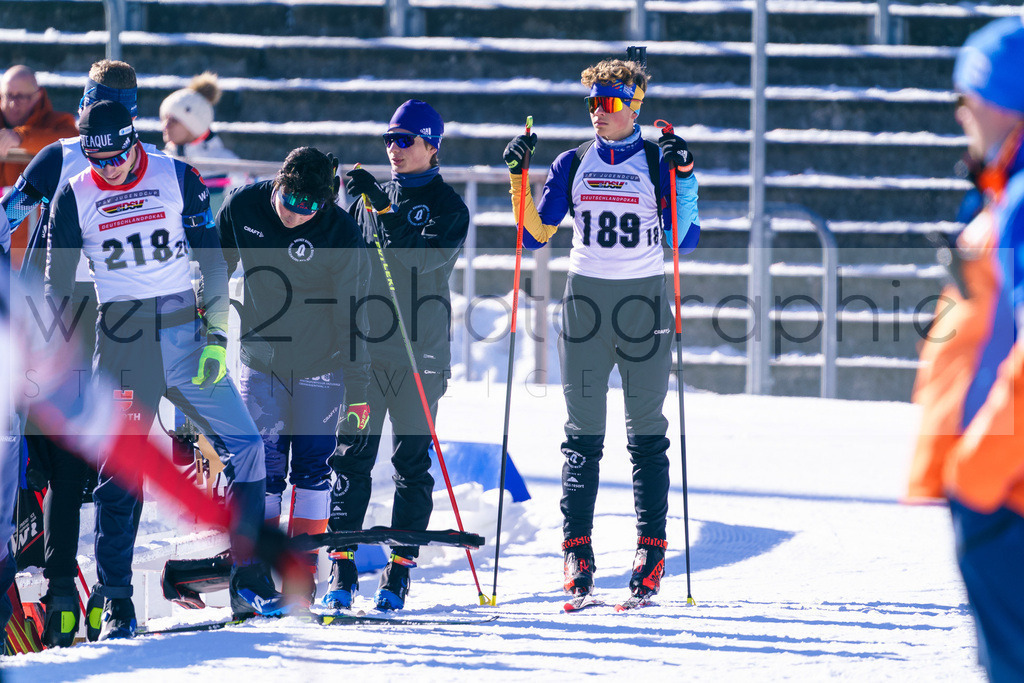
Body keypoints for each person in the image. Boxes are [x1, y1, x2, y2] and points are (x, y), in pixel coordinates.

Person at [44, 100, 276, 640]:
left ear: (133, 142)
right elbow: (58, 287)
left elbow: (213, 261)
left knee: (246, 445)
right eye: (97, 161)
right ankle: (117, 599)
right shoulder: (75, 192)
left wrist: (217, 333)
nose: (110, 171)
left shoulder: (176, 175)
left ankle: (248, 575)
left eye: (117, 159)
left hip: (184, 333)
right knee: (120, 468)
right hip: (122, 339)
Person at [502, 58, 700, 604]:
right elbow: (535, 236)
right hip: (586, 305)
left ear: (635, 105)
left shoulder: (657, 161)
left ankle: (651, 548)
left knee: (646, 433)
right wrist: (519, 177)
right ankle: (577, 551)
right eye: (592, 102)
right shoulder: (573, 161)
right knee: (582, 434)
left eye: (609, 102)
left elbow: (684, 239)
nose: (598, 113)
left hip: (643, 307)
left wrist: (685, 177)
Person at [0, 58, 149, 648]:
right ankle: (77, 593)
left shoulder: (72, 152)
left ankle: (74, 591)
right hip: (83, 317)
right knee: (70, 463)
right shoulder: (129, 156)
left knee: (69, 459)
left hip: (86, 317)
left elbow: (10, 210)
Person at [907, 17, 1024, 682]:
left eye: (968, 97)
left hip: (1006, 489)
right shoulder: (1002, 189)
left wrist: (977, 467)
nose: (961, 114)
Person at [327, 99, 468, 611]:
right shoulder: (370, 195)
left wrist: (384, 210)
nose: (394, 149)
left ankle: (399, 571)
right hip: (365, 354)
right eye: (389, 139)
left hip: (420, 354)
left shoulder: (451, 206)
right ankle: (341, 569)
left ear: (431, 146)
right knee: (351, 458)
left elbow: (419, 263)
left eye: (406, 140)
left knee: (411, 462)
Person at [217, 146, 371, 598]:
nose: (294, 213)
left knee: (312, 471)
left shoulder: (340, 232)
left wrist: (359, 391)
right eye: (288, 199)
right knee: (260, 470)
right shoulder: (242, 205)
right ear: (278, 182)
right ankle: (256, 571)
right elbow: (215, 267)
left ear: (325, 202)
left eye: (309, 207)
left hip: (320, 368)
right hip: (260, 363)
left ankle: (300, 574)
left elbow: (354, 315)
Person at [0, 65, 77, 265]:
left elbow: (70, 140)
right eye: (9, 95)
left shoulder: (58, 123)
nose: (13, 103)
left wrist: (21, 138)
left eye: (21, 96)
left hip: (36, 252)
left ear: (37, 96)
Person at [160, 72, 239, 214]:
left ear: (195, 125)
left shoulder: (227, 165)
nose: (165, 126)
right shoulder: (159, 162)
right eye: (165, 119)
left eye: (174, 120)